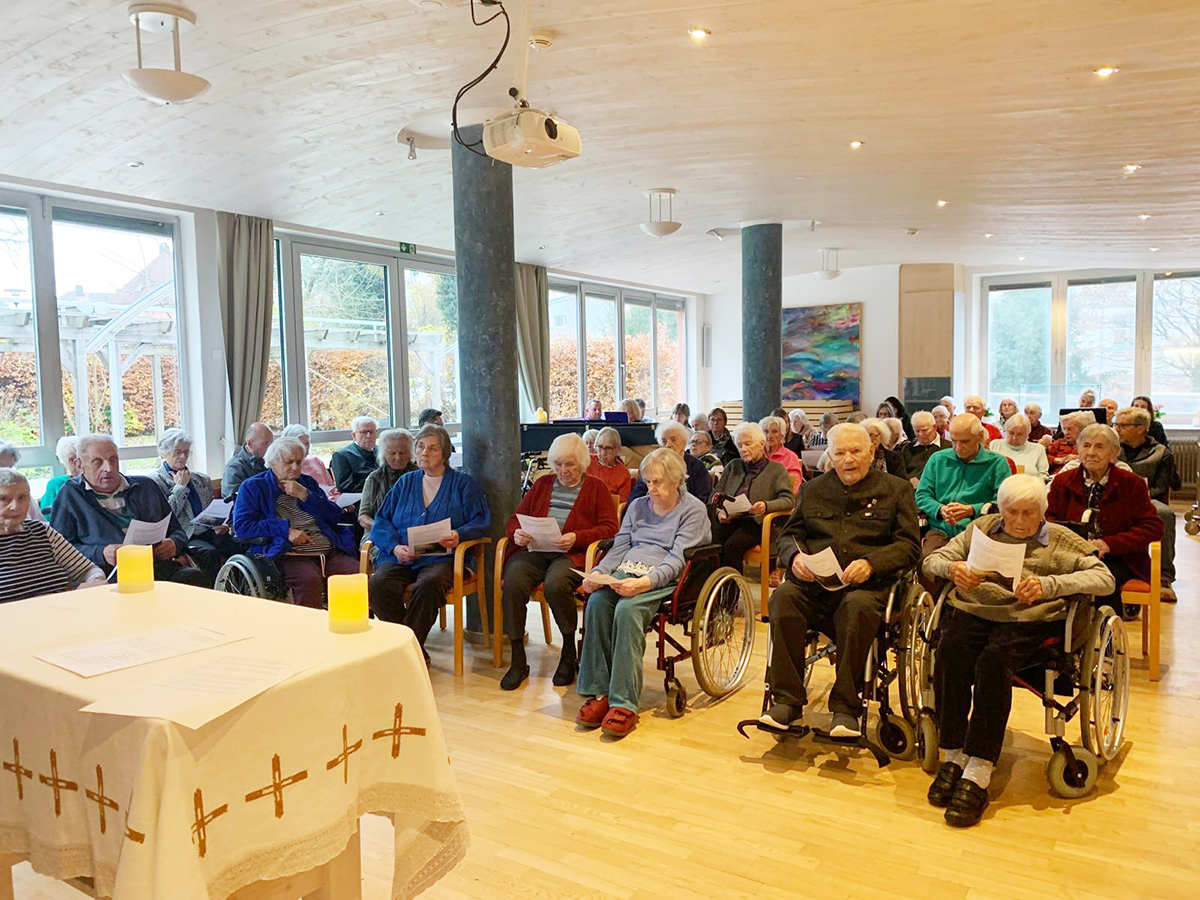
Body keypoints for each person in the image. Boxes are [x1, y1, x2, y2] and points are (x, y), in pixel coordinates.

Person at [922, 475, 1116, 828]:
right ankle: (953, 754)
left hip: (1028, 621)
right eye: (1013, 512)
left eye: (1030, 513)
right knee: (949, 651)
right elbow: (933, 560)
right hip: (974, 611)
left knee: (993, 662)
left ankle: (980, 769)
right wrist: (953, 568)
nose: (1021, 522)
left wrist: (1049, 585)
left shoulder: (1061, 540)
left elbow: (1104, 579)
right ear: (1001, 508)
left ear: (1043, 511)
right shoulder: (982, 528)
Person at [761, 423, 920, 735]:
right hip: (816, 586)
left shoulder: (896, 490)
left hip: (868, 588)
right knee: (783, 598)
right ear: (829, 456)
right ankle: (787, 701)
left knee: (856, 605)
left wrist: (871, 563)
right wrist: (795, 558)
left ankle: (846, 706)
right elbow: (789, 536)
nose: (848, 459)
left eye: (856, 451)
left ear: (871, 452)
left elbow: (909, 546)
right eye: (840, 453)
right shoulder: (813, 489)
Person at [576, 448, 711, 738]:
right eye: (648, 482)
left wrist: (646, 582)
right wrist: (601, 574)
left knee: (627, 611)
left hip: (666, 578)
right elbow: (620, 547)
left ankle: (624, 702)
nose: (651, 488)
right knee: (597, 603)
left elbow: (677, 560)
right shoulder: (637, 507)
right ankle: (600, 692)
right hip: (627, 571)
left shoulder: (693, 510)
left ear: (677, 480)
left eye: (658, 482)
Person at [500, 434, 618, 690]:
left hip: (571, 554)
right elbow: (515, 519)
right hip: (537, 551)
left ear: (583, 463)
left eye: (570, 465)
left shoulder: (596, 488)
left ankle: (568, 651)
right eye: (558, 465)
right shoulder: (542, 485)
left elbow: (610, 529)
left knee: (556, 584)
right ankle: (518, 657)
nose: (563, 471)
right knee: (513, 580)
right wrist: (516, 533)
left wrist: (578, 537)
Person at [368, 425, 490, 660]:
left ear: (444, 454)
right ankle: (411, 649)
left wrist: (458, 534)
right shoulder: (405, 482)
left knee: (429, 585)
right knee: (378, 584)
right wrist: (394, 547)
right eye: (421, 447)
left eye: (432, 448)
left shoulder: (463, 484)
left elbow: (481, 521)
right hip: (402, 557)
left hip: (441, 558)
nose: (424, 453)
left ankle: (407, 651)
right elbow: (381, 521)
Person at [51, 435, 206, 586]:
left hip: (155, 567)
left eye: (113, 460)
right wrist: (101, 553)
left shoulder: (146, 486)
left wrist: (174, 543)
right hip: (109, 576)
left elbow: (177, 530)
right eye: (97, 462)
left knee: (194, 578)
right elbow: (60, 551)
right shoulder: (70, 495)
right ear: (79, 465)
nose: (108, 468)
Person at [1047, 423, 1162, 616]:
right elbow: (1050, 520)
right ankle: (1060, 637)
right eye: (1086, 446)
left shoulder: (1131, 483)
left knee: (1102, 578)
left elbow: (1152, 527)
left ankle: (1105, 638)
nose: (1091, 452)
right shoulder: (1062, 481)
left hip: (1119, 557)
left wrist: (1108, 544)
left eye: (1100, 446)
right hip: (1071, 556)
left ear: (1114, 452)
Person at [232, 437, 360, 608]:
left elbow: (335, 516)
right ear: (272, 462)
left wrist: (306, 495)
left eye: (299, 462)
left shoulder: (307, 483)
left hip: (326, 548)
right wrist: (286, 531)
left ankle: (349, 626)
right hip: (288, 553)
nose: (295, 467)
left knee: (354, 572)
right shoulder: (253, 487)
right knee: (309, 580)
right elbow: (242, 527)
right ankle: (309, 629)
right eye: (289, 462)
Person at [915, 414, 1012, 566]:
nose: (958, 448)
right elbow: (921, 495)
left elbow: (1004, 503)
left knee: (978, 570)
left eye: (965, 441)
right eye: (954, 441)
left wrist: (972, 509)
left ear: (980, 437)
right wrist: (940, 509)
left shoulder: (997, 463)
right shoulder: (937, 459)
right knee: (928, 565)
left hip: (980, 531)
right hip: (941, 530)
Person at [0, 468, 106, 603]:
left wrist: (95, 582)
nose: (16, 506)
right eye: (4, 499)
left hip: (64, 614)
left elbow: (88, 570)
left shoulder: (42, 531)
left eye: (22, 497)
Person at [152, 428, 240, 582]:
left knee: (238, 544)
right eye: (177, 452)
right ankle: (212, 594)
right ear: (163, 453)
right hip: (184, 534)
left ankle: (241, 588)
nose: (183, 457)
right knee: (209, 553)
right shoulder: (155, 481)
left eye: (186, 452)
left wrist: (221, 523)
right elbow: (167, 515)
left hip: (207, 530)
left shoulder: (201, 479)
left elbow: (210, 510)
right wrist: (180, 487)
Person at [1114, 407, 1179, 601]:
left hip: (1147, 500)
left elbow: (1162, 487)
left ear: (1141, 428)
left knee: (1165, 514)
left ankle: (1164, 577)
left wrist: (1137, 496)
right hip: (1113, 496)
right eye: (1116, 425)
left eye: (1122, 425)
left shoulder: (1160, 452)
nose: (1117, 429)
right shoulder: (1112, 447)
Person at [709, 422, 794, 570]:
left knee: (733, 545)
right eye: (740, 445)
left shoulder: (776, 470)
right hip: (731, 518)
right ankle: (713, 587)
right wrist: (719, 510)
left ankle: (731, 590)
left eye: (748, 444)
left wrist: (765, 506)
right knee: (711, 542)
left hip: (758, 522)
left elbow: (788, 500)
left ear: (761, 444)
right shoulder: (733, 466)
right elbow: (716, 492)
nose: (743, 449)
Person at [628, 421, 712, 503]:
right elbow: (635, 496)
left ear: (684, 442)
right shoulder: (652, 465)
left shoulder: (696, 466)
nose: (668, 444)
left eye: (673, 440)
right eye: (664, 441)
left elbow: (703, 498)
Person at [359, 429, 417, 533]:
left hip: (414, 532)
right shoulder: (375, 478)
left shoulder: (421, 476)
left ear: (410, 453)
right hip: (379, 533)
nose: (398, 458)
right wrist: (383, 529)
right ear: (384, 454)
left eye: (402, 453)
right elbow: (363, 517)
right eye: (392, 453)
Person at [989, 413, 1049, 481]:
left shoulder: (1038, 449)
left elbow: (1043, 476)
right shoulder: (994, 445)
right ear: (1006, 430)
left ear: (1027, 434)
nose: (1014, 438)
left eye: (1019, 434)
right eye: (1011, 433)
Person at [330, 416, 379, 493]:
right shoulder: (342, 455)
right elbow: (346, 486)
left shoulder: (384, 451)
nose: (369, 436)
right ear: (354, 435)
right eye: (364, 432)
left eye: (372, 432)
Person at [223, 422, 273, 497]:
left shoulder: (272, 461)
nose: (271, 448)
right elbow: (235, 503)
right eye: (265, 443)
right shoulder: (234, 468)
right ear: (250, 443)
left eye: (272, 443)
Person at [281, 424, 337, 491]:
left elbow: (332, 489)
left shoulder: (316, 461)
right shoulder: (285, 468)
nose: (305, 448)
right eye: (301, 444)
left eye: (307, 444)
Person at [586, 426, 632, 502]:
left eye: (608, 448)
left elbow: (622, 502)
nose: (603, 453)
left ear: (617, 449)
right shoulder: (587, 461)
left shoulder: (623, 473)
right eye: (600, 447)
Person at [760, 415, 803, 492]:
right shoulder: (756, 455)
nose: (769, 436)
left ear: (782, 435)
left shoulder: (790, 457)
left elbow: (794, 487)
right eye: (766, 431)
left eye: (774, 431)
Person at [900, 410, 943, 486]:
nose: (920, 434)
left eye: (924, 430)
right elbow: (901, 473)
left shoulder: (947, 447)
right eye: (917, 431)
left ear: (934, 427)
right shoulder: (908, 449)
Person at [39, 436, 81, 514]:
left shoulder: (94, 481)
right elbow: (46, 516)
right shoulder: (56, 483)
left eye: (79, 458)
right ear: (62, 460)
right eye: (71, 460)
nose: (75, 463)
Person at [0, 443, 40, 522]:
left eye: (10, 468)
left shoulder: (21, 493)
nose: (7, 474)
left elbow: (41, 523)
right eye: (1, 468)